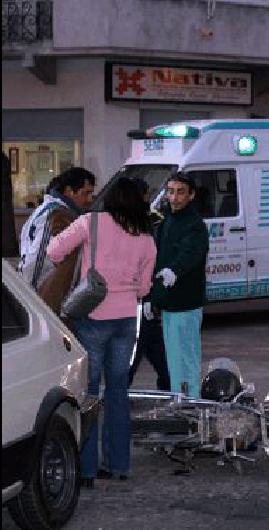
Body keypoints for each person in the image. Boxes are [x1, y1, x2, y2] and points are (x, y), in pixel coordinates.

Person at [47, 177, 157, 487]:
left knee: (89, 393)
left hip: (93, 316)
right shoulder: (147, 237)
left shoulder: (90, 223)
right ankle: (119, 465)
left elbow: (54, 252)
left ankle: (86, 470)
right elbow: (145, 287)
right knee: (118, 392)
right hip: (126, 320)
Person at [150, 174, 209, 397]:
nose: (174, 197)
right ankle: (181, 400)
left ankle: (192, 403)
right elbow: (159, 261)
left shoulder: (194, 225)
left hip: (186, 303)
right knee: (175, 359)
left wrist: (175, 270)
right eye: (170, 191)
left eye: (180, 191)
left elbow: (191, 253)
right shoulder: (167, 221)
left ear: (191, 195)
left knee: (186, 357)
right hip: (169, 303)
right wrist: (152, 297)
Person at [18, 167, 96, 292]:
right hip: (43, 291)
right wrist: (32, 298)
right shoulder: (54, 215)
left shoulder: (58, 211)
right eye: (85, 193)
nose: (89, 199)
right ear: (69, 191)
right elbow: (38, 260)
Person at [128, 177, 171, 391]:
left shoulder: (124, 220)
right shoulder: (150, 220)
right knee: (144, 345)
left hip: (138, 296)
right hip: (142, 295)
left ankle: (167, 384)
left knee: (147, 344)